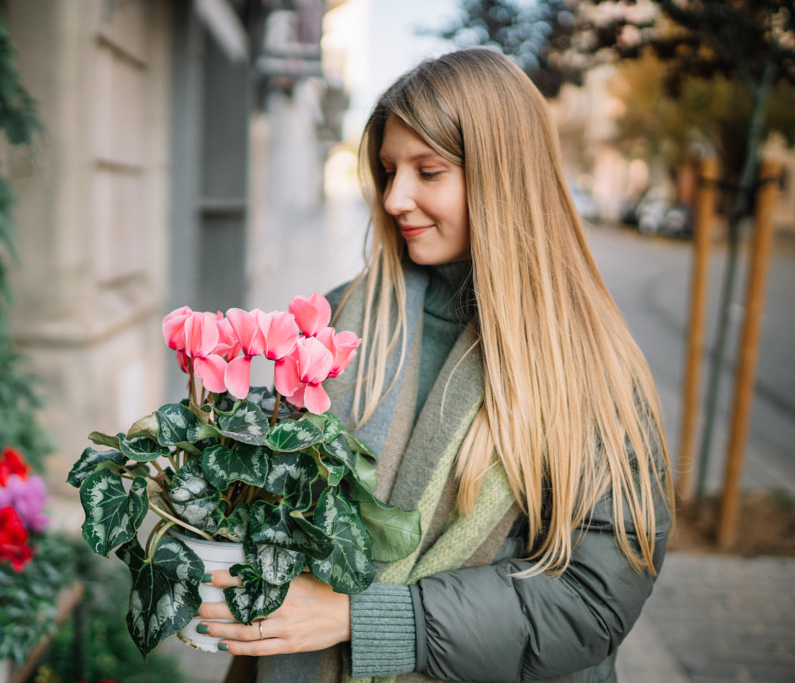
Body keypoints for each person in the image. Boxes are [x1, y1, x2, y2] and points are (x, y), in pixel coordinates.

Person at [198, 47, 674, 683]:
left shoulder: (588, 370)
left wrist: (365, 618)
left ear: (503, 178)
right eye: (390, 170)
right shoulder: (342, 316)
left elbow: (592, 600)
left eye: (428, 172)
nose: (395, 198)